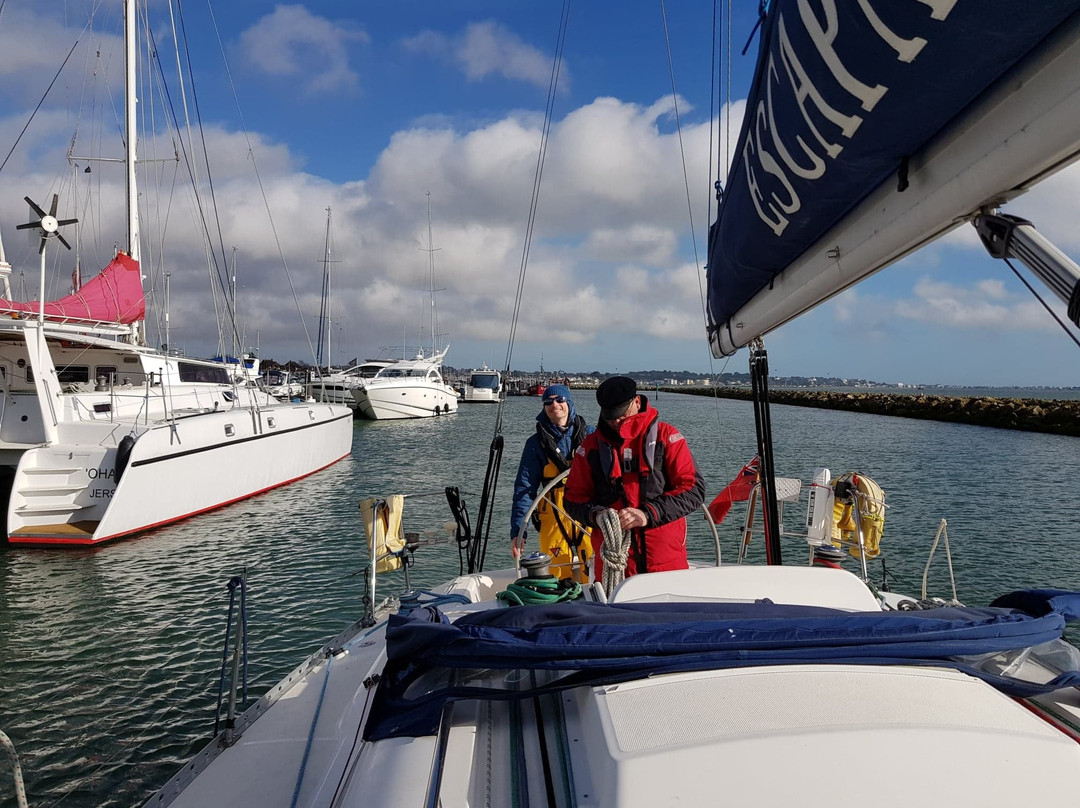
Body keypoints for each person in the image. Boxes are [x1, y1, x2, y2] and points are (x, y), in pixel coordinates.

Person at [564, 376, 705, 581]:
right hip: (614, 566)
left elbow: (694, 489)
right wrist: (597, 515)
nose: (616, 421)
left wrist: (648, 514)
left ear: (637, 402)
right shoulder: (590, 448)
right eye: (610, 416)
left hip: (666, 565)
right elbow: (573, 497)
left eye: (621, 414)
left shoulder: (668, 437)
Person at [510, 384, 595, 581]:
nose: (554, 404)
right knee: (554, 575)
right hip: (552, 516)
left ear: (569, 403)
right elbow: (524, 489)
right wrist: (518, 531)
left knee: (595, 571)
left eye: (559, 400)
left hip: (587, 513)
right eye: (548, 401)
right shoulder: (535, 444)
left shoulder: (592, 436)